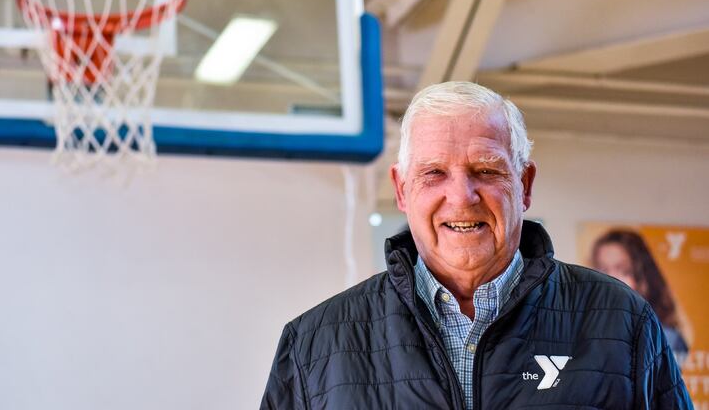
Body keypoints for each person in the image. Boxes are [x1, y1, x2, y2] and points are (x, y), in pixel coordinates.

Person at [261, 82, 692, 409]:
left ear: (524, 185)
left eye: (486, 170)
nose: (462, 195)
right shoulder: (312, 345)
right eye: (434, 173)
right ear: (401, 188)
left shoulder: (622, 323)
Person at [591, 229, 690, 355]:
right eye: (603, 270)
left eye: (624, 271)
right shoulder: (586, 332)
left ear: (643, 278)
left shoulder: (667, 338)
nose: (611, 279)